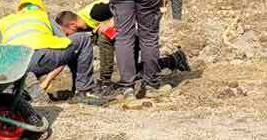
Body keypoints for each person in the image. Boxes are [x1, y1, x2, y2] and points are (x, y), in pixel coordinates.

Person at [0, 0, 106, 104]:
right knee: (83, 39)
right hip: (38, 58)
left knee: (21, 65)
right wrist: (47, 80)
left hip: (14, 67)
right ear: (40, 7)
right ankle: (83, 91)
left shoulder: (3, 22)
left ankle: (17, 91)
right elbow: (64, 42)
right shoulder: (43, 16)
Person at [55, 8, 190, 85]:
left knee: (104, 37)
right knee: (132, 70)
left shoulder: (94, 12)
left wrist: (110, 22)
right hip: (126, 35)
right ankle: (172, 60)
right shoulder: (82, 24)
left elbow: (128, 6)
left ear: (72, 25)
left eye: (68, 33)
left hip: (138, 30)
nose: (69, 37)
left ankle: (105, 80)